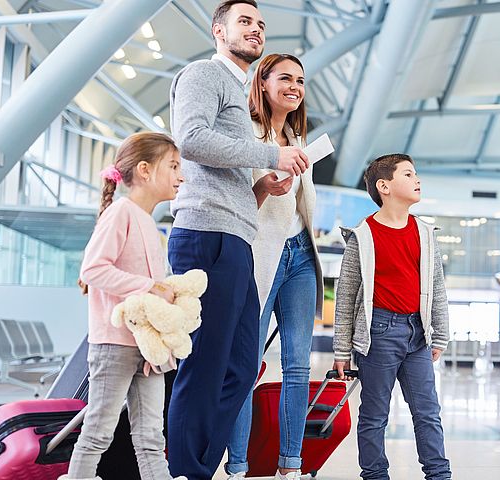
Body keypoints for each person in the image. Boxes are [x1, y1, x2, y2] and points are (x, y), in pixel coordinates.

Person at [166, 1, 308, 478]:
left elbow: (223, 169)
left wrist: (261, 186)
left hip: (235, 237)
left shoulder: (234, 86)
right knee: (206, 365)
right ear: (218, 30)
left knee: (243, 366)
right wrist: (271, 152)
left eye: (261, 24)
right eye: (244, 22)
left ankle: (197, 463)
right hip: (206, 234)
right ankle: (187, 468)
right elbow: (190, 139)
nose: (256, 30)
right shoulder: (204, 75)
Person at [60, 132, 186, 480]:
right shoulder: (121, 212)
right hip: (114, 344)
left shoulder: (147, 222)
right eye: (174, 166)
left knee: (150, 437)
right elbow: (94, 269)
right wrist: (151, 287)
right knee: (98, 431)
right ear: (144, 170)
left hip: (150, 350)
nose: (181, 175)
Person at [225, 54, 323, 480]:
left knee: (298, 363)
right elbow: (233, 202)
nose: (295, 86)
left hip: (300, 253)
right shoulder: (244, 133)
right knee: (245, 363)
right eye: (285, 78)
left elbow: (302, 204)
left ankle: (291, 465)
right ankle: (238, 468)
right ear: (262, 82)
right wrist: (263, 186)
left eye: (300, 80)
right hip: (261, 253)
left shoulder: (298, 141)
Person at [332, 154, 452, 480]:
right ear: (384, 186)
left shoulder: (425, 233)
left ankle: (439, 475)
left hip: (418, 334)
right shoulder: (363, 235)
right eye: (409, 174)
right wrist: (342, 349)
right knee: (374, 415)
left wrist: (439, 333)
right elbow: (346, 296)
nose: (418, 179)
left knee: (428, 413)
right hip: (378, 333)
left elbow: (436, 287)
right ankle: (374, 476)